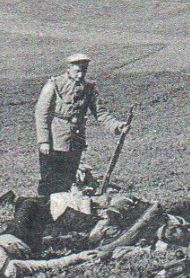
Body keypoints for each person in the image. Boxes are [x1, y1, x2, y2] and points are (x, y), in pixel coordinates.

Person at [35, 53, 128, 197]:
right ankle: (44, 212)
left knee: (67, 180)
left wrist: (116, 126)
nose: (80, 75)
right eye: (77, 70)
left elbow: (100, 112)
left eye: (83, 71)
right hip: (54, 141)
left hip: (75, 141)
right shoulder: (54, 85)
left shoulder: (89, 88)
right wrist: (44, 141)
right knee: (49, 181)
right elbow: (42, 114)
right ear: (69, 68)